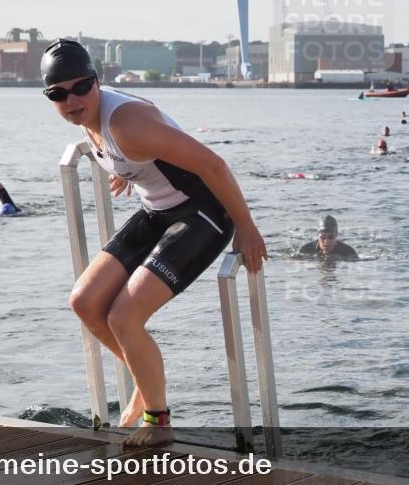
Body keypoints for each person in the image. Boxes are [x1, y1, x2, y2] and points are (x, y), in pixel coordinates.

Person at [42, 39, 266, 447]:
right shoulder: (92, 122)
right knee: (85, 302)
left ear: (97, 82)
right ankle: (145, 386)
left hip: (203, 213)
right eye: (58, 93)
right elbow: (143, 157)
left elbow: (213, 164)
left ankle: (158, 420)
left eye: (81, 88)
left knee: (123, 318)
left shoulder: (128, 124)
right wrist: (127, 170)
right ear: (49, 97)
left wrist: (246, 226)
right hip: (158, 211)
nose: (72, 99)